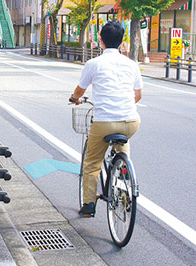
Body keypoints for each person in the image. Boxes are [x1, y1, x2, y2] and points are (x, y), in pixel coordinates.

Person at [70, 21, 143, 217]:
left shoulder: (93, 64)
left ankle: (88, 205)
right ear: (121, 41)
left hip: (104, 122)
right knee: (123, 147)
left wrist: (74, 99)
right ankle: (124, 178)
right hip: (131, 121)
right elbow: (138, 95)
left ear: (100, 41)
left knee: (92, 163)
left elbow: (79, 90)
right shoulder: (131, 64)